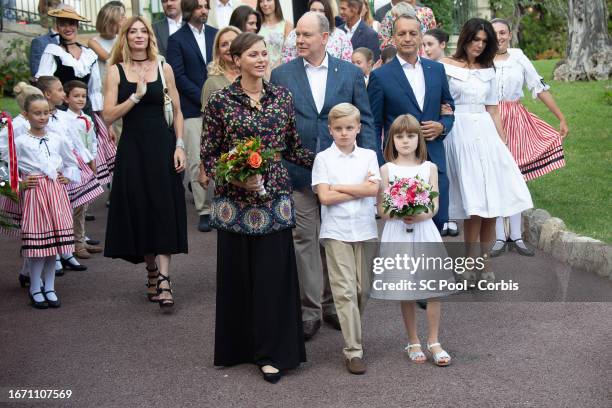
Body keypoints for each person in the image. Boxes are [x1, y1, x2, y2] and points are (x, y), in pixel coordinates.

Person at [201, 32, 313, 383]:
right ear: (236, 60)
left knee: (273, 279)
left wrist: (339, 160)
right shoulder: (221, 101)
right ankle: (238, 349)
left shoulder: (282, 97)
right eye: (253, 54)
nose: (262, 59)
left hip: (276, 198)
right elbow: (209, 155)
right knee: (239, 278)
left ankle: (272, 353)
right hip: (235, 204)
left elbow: (294, 147)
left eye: (265, 54)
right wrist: (236, 180)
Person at [270, 11, 377, 340]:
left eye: (305, 35)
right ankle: (310, 310)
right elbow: (276, 126)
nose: (299, 40)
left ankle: (334, 305)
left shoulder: (348, 73)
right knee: (304, 240)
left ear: (324, 38)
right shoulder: (281, 75)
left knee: (337, 239)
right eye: (297, 35)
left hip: (341, 173)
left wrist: (371, 166)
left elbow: (367, 121)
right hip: (298, 171)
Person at [103, 16, 188, 309]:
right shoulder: (115, 72)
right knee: (142, 210)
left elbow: (178, 111)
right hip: (133, 150)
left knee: (163, 208)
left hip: (162, 147)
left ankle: (164, 280)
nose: (138, 36)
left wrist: (180, 145)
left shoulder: (164, 68)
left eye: (143, 31)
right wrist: (135, 98)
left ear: (150, 37)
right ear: (125, 37)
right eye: (132, 32)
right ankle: (151, 270)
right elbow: (108, 116)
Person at [440, 18, 533, 282]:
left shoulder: (489, 69)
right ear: (465, 38)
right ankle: (470, 261)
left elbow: (493, 109)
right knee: (474, 203)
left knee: (492, 200)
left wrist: (503, 143)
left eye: (484, 41)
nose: (479, 45)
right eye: (475, 39)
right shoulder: (444, 66)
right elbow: (437, 99)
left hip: (487, 135)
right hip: (458, 134)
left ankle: (484, 263)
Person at [373, 113, 455, 366]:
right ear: (391, 140)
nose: (405, 141)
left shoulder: (428, 168)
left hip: (424, 231)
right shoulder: (386, 170)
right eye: (399, 136)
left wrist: (417, 212)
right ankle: (413, 340)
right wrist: (400, 211)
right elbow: (382, 210)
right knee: (405, 288)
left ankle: (434, 340)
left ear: (419, 139)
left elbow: (434, 206)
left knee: (432, 288)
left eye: (410, 136)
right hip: (397, 232)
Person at [368, 14, 454, 232]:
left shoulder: (436, 70)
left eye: (413, 33)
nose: (407, 38)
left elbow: (449, 108)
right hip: (398, 164)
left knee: (436, 221)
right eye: (402, 33)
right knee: (401, 227)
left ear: (420, 36)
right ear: (393, 38)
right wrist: (380, 163)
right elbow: (373, 124)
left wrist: (443, 125)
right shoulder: (381, 76)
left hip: (433, 159)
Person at [490, 18, 568, 257]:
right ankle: (498, 237)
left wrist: (561, 117)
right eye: (495, 34)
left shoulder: (519, 58)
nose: (500, 37)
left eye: (503, 32)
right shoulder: (481, 59)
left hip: (515, 118)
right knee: (494, 177)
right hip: (489, 119)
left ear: (510, 34)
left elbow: (539, 87)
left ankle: (516, 235)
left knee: (515, 177)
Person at [312, 103, 380, 374]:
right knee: (344, 291)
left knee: (363, 289)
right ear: (330, 130)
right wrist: (358, 189)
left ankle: (352, 329)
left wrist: (338, 185)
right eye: (338, 129)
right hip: (336, 230)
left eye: (349, 128)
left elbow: (373, 189)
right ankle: (354, 350)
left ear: (358, 128)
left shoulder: (368, 156)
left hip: (365, 229)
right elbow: (324, 197)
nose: (344, 133)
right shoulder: (323, 160)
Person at [35, 6, 117, 188]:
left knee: (89, 157)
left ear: (77, 25)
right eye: (63, 24)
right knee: (67, 160)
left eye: (71, 23)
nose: (68, 28)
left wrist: (106, 124)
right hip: (61, 115)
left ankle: (83, 206)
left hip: (84, 115)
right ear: (57, 26)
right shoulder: (52, 51)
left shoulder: (89, 54)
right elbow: (44, 86)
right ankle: (67, 205)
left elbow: (95, 91)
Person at [15, 94, 80, 309]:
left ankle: (50, 287)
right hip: (35, 194)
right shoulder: (20, 141)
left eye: (46, 113)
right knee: (38, 245)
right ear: (26, 115)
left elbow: (71, 162)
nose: (43, 117)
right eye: (37, 113)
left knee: (54, 244)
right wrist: (20, 184)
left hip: (55, 192)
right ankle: (35, 286)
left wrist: (67, 176)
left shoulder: (57, 138)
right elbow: (6, 168)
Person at [166, 0, 218, 232]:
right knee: (197, 158)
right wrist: (204, 98)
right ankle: (204, 210)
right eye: (198, 6)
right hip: (192, 107)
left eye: (206, 6)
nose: (204, 10)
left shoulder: (217, 35)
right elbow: (178, 75)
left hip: (221, 107)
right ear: (188, 10)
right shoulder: (176, 40)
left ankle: (224, 204)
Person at [36, 75, 89, 272]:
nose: (62, 93)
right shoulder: (39, 118)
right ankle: (55, 255)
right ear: (47, 94)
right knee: (52, 215)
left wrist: (86, 161)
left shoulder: (63, 116)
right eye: (59, 90)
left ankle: (66, 251)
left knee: (66, 212)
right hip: (48, 173)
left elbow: (73, 141)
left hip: (65, 170)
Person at [62, 80, 105, 259]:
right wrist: (86, 160)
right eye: (76, 96)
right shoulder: (65, 120)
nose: (81, 99)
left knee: (84, 206)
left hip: (88, 164)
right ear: (66, 98)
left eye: (83, 96)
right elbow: (73, 144)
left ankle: (80, 239)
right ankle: (74, 244)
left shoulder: (87, 118)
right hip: (75, 166)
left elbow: (92, 140)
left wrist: (93, 159)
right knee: (76, 205)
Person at [282, 0, 353, 63]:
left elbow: (347, 62)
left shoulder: (340, 36)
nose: (317, 13)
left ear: (328, 13)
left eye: (321, 11)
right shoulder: (294, 34)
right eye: (313, 10)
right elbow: (286, 58)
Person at [88, 1, 127, 85]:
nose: (124, 20)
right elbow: (110, 59)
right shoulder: (93, 42)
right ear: (110, 22)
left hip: (123, 82)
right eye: (121, 18)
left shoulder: (123, 38)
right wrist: (121, 32)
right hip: (105, 84)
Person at [257, 0, 292, 69]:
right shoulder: (256, 25)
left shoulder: (287, 25)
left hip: (281, 69)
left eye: (268, 0)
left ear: (276, 2)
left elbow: (288, 52)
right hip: (260, 70)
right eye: (261, 1)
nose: (265, 4)